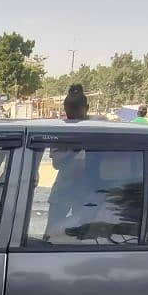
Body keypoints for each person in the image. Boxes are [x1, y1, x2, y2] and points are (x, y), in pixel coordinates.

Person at [45, 84, 89, 241]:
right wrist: (76, 148)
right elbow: (57, 162)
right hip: (65, 187)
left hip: (88, 189)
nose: (73, 116)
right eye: (69, 111)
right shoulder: (61, 130)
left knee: (83, 233)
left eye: (76, 110)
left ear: (86, 108)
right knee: (51, 231)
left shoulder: (96, 128)